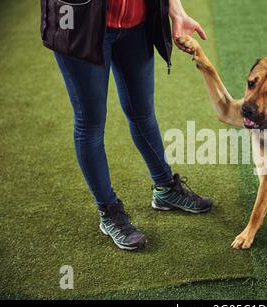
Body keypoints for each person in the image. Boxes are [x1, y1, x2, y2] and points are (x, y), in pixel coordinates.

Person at [40, 0, 212, 251]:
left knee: (143, 113)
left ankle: (165, 188)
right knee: (91, 123)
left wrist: (176, 9)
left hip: (136, 23)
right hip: (80, 24)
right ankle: (109, 211)